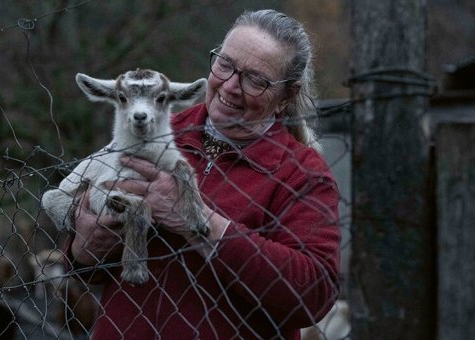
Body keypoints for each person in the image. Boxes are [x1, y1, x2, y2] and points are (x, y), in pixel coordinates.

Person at [64, 9, 341, 340]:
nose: (230, 86)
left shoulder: (301, 172)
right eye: (224, 64)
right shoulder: (154, 134)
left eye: (255, 80)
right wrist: (82, 249)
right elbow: (85, 264)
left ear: (287, 95)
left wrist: (195, 218)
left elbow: (312, 295)